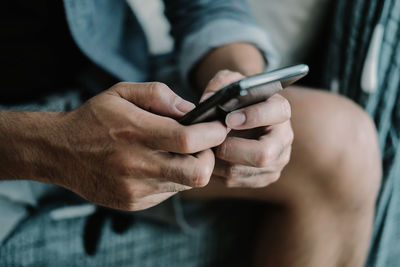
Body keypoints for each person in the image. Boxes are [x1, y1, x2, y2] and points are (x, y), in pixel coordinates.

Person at [0, 0, 381, 266]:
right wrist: (50, 145)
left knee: (345, 142)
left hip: (99, 84)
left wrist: (237, 81)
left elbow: (208, 7)